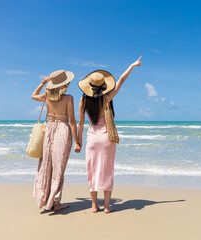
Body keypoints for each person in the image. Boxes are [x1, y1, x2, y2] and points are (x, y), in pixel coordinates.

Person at [77, 56, 142, 213]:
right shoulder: (107, 98)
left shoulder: (83, 101)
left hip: (92, 139)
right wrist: (132, 65)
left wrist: (78, 141)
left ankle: (94, 205)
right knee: (107, 170)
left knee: (91, 171)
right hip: (107, 139)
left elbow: (80, 123)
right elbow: (121, 80)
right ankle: (106, 207)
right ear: (103, 86)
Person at [31, 70, 81, 211]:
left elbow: (33, 96)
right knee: (59, 167)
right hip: (62, 131)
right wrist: (77, 141)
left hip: (50, 130)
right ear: (64, 84)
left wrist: (42, 83)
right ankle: (55, 202)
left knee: (46, 165)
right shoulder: (68, 98)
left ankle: (46, 199)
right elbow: (71, 121)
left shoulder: (47, 96)